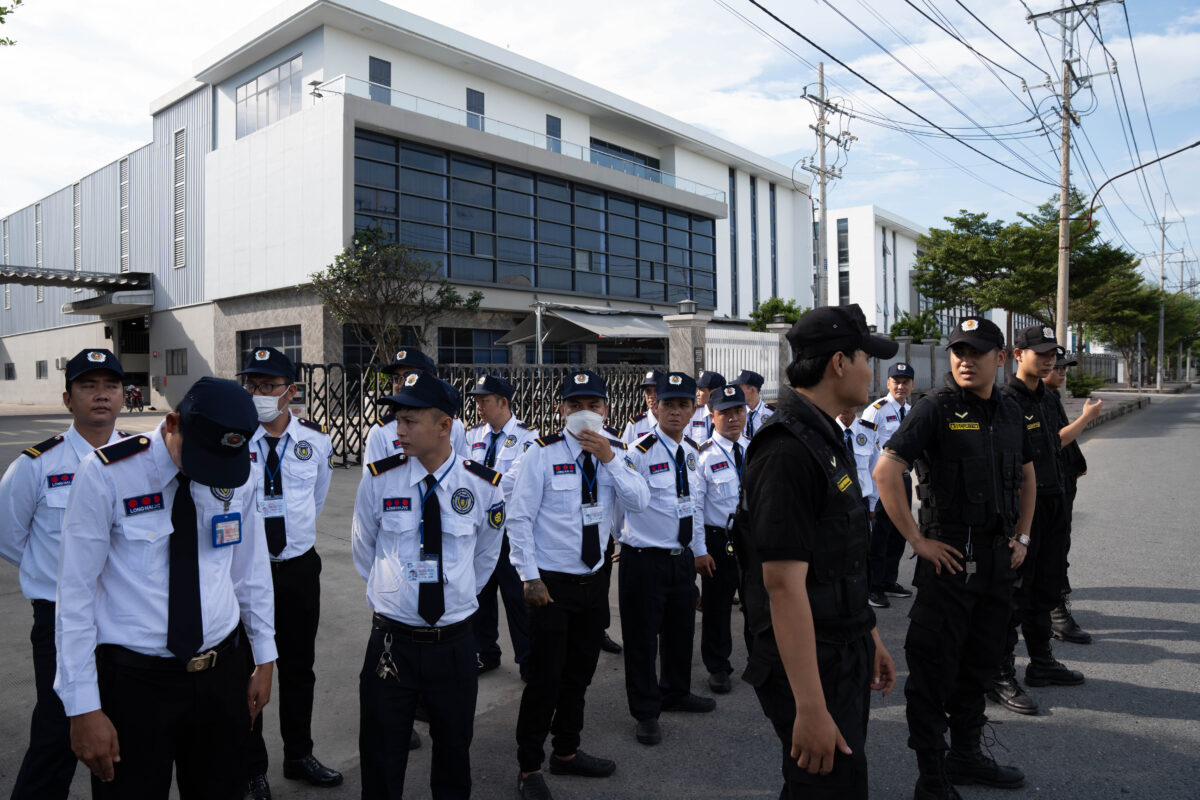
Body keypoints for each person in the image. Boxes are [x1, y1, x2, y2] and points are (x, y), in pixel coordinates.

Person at [55, 377, 277, 797]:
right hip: (136, 685)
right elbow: (75, 594)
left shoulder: (238, 470)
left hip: (221, 674)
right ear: (172, 424)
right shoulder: (107, 475)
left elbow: (250, 571)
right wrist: (83, 706)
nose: (208, 472)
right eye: (199, 457)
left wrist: (264, 657)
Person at [736, 304, 897, 799]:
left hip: (839, 643)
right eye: (867, 358)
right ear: (840, 363)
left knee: (835, 783)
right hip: (809, 662)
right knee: (828, 786)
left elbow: (838, 559)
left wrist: (867, 635)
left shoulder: (824, 436)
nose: (874, 370)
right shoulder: (787, 450)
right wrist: (809, 706)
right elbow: (782, 586)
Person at [874, 315, 1036, 797]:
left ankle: (967, 754)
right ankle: (932, 775)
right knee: (933, 670)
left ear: (1000, 359)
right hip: (948, 566)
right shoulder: (934, 409)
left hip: (996, 564)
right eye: (958, 352)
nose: (965, 360)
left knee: (980, 664)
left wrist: (1022, 538)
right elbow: (886, 472)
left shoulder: (1009, 411)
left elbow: (1027, 475)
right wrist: (918, 542)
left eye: (977, 352)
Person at [351, 371, 505, 799]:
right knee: (381, 756)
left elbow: (487, 554)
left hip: (454, 645)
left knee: (454, 753)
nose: (398, 430)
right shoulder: (380, 479)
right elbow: (364, 546)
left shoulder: (481, 486)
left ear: (444, 426)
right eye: (397, 419)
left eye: (410, 421)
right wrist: (395, 595)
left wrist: (455, 595)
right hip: (391, 644)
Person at [505, 370, 650, 800]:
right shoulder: (540, 452)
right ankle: (529, 766)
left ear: (607, 410)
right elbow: (519, 517)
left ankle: (566, 750)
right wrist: (528, 576)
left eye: (593, 404)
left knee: (580, 672)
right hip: (550, 585)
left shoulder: (617, 452)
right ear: (561, 409)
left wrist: (609, 458)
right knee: (545, 678)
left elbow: (639, 501)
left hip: (594, 579)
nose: (584, 412)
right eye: (574, 405)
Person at [0, 349, 129, 800]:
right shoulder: (36, 465)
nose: (101, 395)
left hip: (124, 620)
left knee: (122, 737)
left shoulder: (141, 458)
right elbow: (10, 537)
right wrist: (58, 577)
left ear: (123, 397)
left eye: (110, 386)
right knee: (57, 734)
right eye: (88, 386)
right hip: (58, 619)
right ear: (67, 398)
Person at [238, 347, 340, 798]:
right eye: (252, 386)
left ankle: (298, 754)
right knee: (250, 669)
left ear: (290, 392)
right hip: (247, 572)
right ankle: (250, 767)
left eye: (268, 387)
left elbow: (316, 498)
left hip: (298, 569)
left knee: (300, 666)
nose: (259, 394)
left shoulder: (315, 441)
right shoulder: (235, 441)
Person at [990, 326, 1087, 717]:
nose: (1048, 360)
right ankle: (1000, 674)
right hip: (1024, 511)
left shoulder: (1046, 398)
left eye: (1052, 354)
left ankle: (1042, 663)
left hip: (1054, 502)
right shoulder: (1005, 402)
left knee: (1047, 587)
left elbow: (1057, 447)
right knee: (1015, 596)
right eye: (1040, 353)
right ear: (1017, 355)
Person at [619, 371, 713, 747]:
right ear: (654, 407)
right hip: (644, 560)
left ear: (694, 409)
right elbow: (617, 505)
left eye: (683, 404)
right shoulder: (637, 453)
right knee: (642, 640)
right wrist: (617, 542)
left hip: (680, 558)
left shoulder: (691, 453)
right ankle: (645, 712)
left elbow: (694, 506)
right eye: (668, 404)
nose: (675, 411)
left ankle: (675, 691)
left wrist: (699, 551)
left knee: (680, 631)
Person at [464, 375, 539, 678]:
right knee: (480, 593)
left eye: (484, 400)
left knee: (516, 597)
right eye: (477, 400)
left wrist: (477, 486)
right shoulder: (472, 436)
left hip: (508, 530)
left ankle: (528, 658)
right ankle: (485, 652)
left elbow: (512, 482)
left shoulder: (527, 437)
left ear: (503, 402)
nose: (478, 406)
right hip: (478, 529)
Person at [1044, 348, 1102, 643]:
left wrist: (1076, 465)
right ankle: (1056, 616)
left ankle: (1048, 612)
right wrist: (1087, 418)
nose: (1062, 372)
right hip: (1046, 489)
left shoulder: (1052, 396)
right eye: (1057, 367)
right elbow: (1056, 441)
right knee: (1052, 552)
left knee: (1058, 548)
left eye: (1065, 367)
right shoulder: (1036, 399)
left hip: (1062, 483)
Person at [695, 383, 748, 695]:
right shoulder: (702, 456)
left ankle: (762, 661)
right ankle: (718, 666)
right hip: (719, 540)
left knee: (758, 604)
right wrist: (700, 551)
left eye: (738, 411)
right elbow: (696, 507)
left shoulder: (754, 448)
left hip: (752, 539)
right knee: (717, 608)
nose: (733, 418)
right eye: (725, 413)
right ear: (711, 416)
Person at [862, 362, 916, 609]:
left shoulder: (911, 409)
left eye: (905, 382)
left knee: (899, 532)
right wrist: (872, 489)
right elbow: (865, 449)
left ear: (912, 385)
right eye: (896, 381)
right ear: (888, 383)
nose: (901, 386)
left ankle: (888, 581)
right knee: (880, 534)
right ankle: (873, 587)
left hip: (903, 479)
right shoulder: (876, 410)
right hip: (882, 481)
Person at [364, 348, 467, 466]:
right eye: (396, 378)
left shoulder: (453, 425)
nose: (401, 384)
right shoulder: (380, 432)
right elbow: (374, 481)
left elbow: (462, 471)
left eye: (409, 377)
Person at [836, 406, 879, 518]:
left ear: (857, 403)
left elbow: (874, 469)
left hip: (862, 500)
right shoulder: (826, 429)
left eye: (849, 402)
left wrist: (873, 504)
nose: (844, 406)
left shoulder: (869, 430)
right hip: (835, 502)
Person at [621, 369, 663, 445]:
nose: (651, 396)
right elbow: (624, 453)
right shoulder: (635, 425)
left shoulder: (674, 421)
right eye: (648, 391)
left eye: (656, 390)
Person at [730, 369, 774, 438]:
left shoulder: (771, 414)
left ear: (752, 389)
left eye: (739, 388)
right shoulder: (736, 412)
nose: (737, 391)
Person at [689, 370, 726, 440]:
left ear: (714, 392)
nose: (697, 394)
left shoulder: (729, 415)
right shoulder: (694, 413)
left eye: (701, 390)